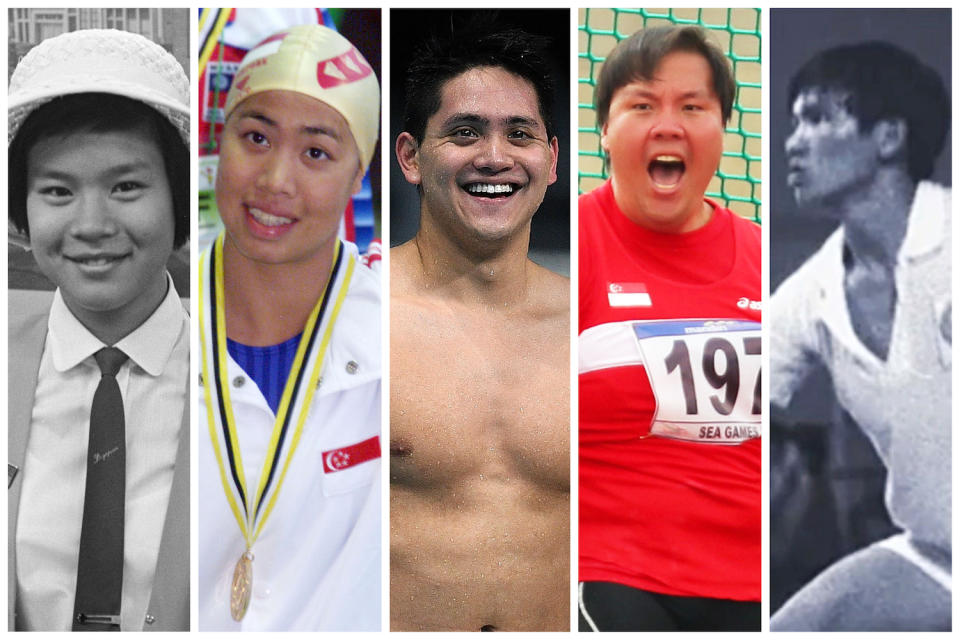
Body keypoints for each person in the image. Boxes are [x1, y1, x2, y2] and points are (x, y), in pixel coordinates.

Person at [197, 24, 381, 631]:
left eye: (316, 153)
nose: (276, 180)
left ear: (358, 177)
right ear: (219, 145)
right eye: (255, 137)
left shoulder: (403, 328)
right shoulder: (156, 318)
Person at [578, 26, 762, 631]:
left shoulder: (770, 264)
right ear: (604, 130)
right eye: (641, 105)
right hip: (608, 575)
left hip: (761, 583)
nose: (668, 124)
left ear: (721, 128)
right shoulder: (565, 248)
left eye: (692, 106)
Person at [7, 29, 190, 631]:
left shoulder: (247, 377)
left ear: (180, 201)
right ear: (22, 215)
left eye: (126, 187)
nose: (91, 225)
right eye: (57, 191)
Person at [391, 22, 569, 631]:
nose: (495, 157)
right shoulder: (349, 319)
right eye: (465, 133)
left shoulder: (593, 328)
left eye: (519, 134)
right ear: (411, 157)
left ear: (550, 160)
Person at [770, 41, 951, 631]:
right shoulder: (811, 292)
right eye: (793, 121)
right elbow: (716, 407)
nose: (793, 140)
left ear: (889, 138)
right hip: (936, 556)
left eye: (818, 118)